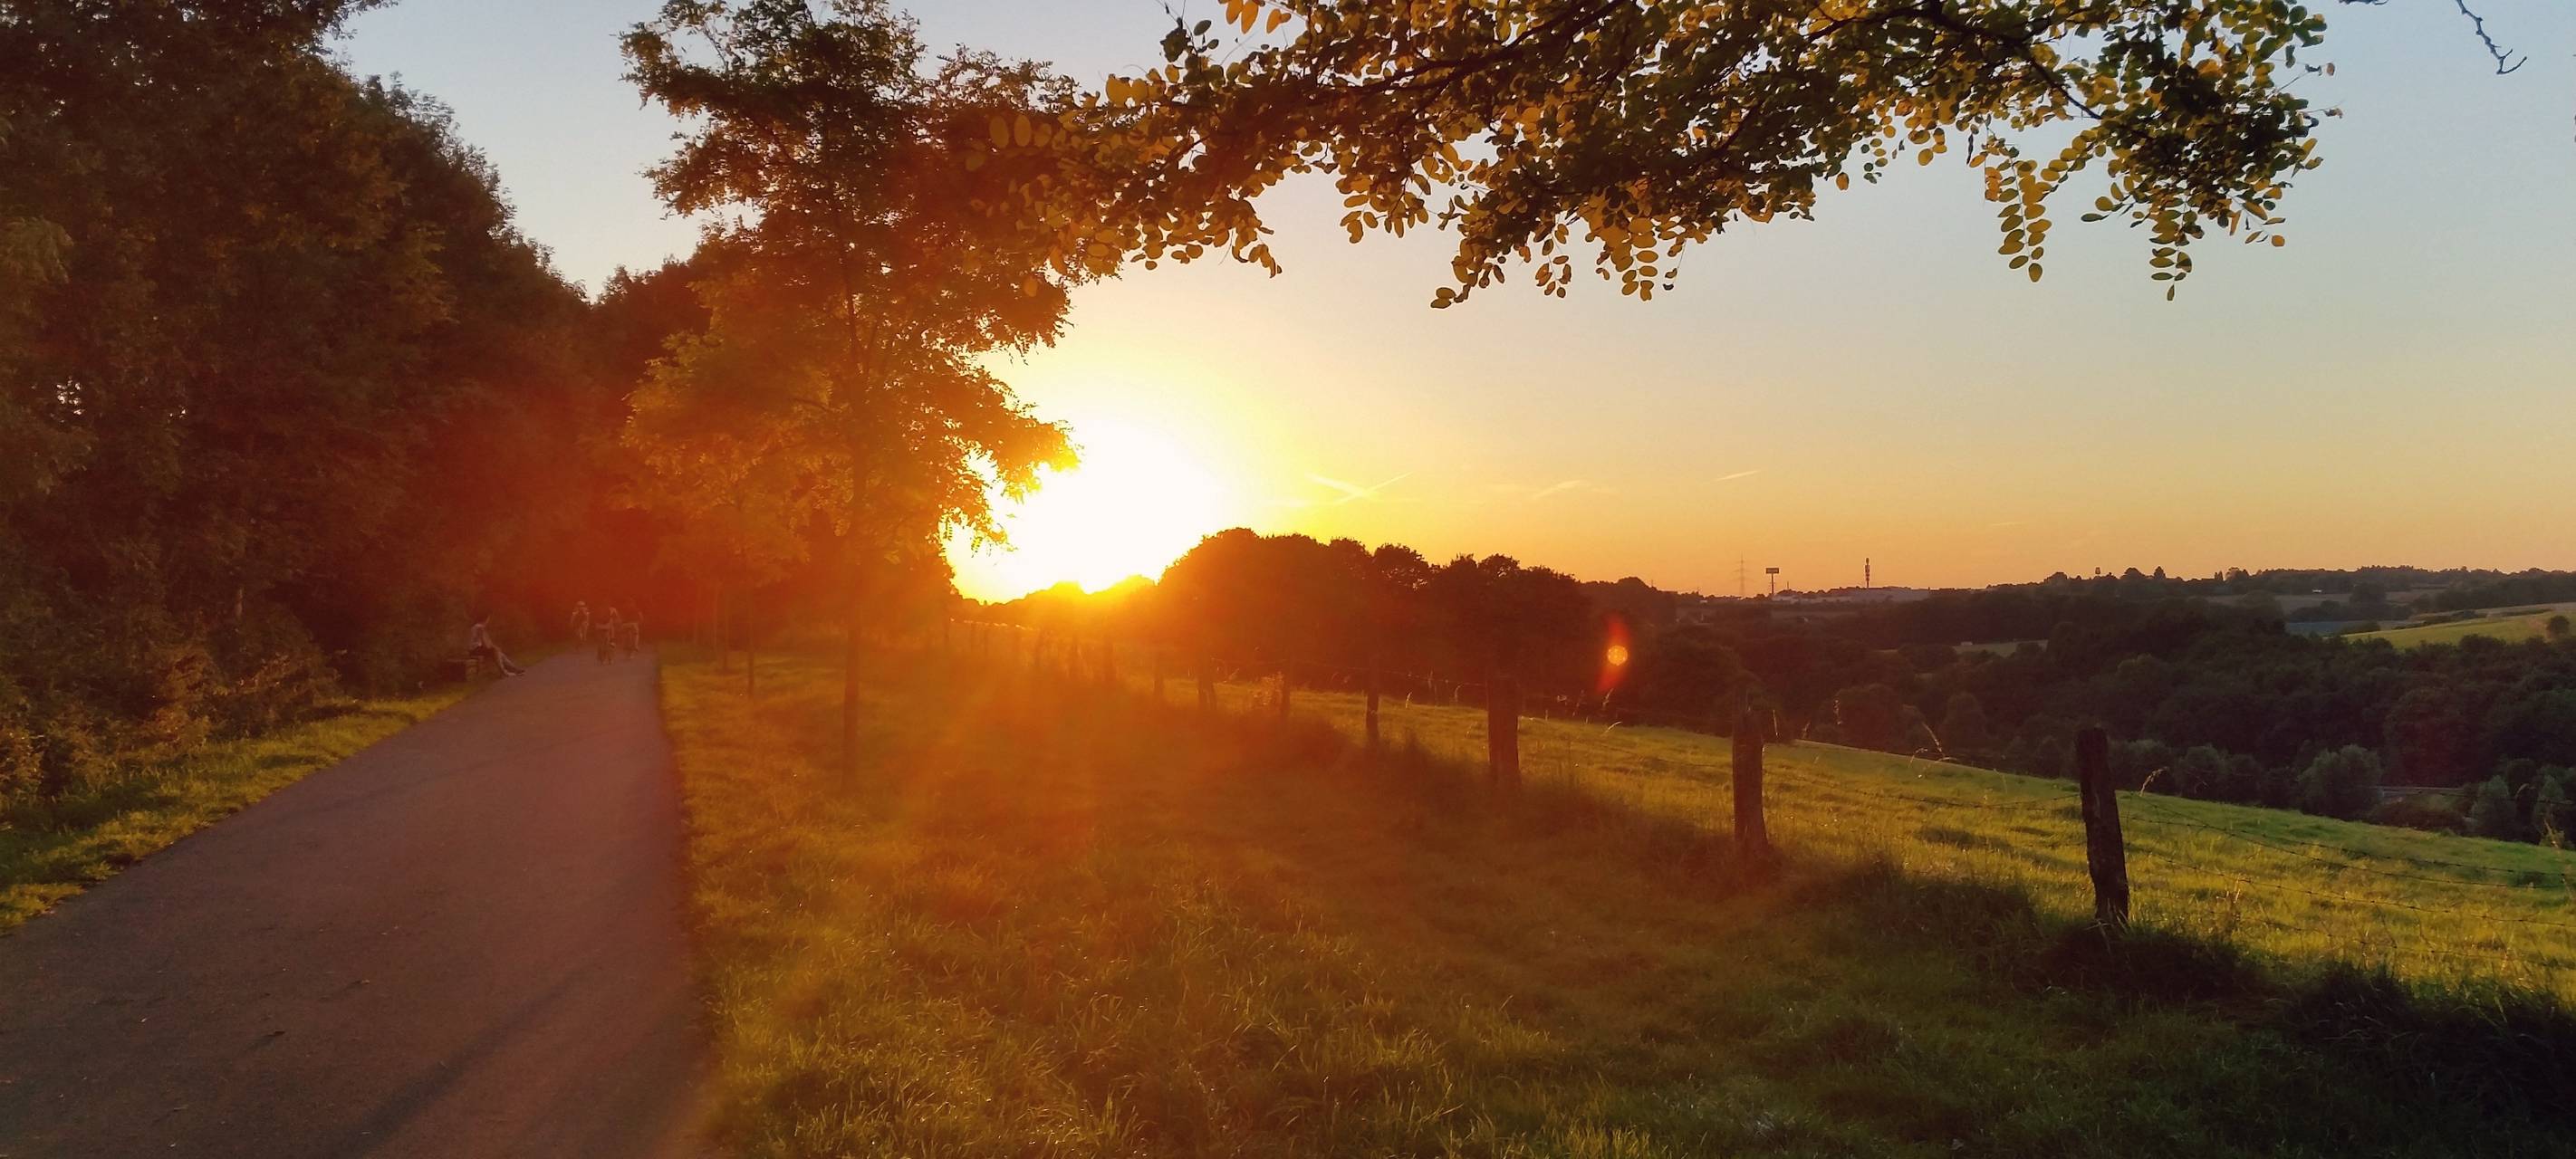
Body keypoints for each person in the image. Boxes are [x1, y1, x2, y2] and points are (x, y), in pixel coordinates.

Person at [468, 613, 525, 677]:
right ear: (486, 619)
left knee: (498, 651)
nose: (488, 622)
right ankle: (504, 672)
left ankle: (514, 669)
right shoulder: (480, 628)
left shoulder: (476, 626)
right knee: (495, 650)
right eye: (488, 619)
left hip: (476, 649)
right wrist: (494, 648)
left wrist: (494, 647)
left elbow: (487, 642)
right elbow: (485, 643)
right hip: (475, 650)